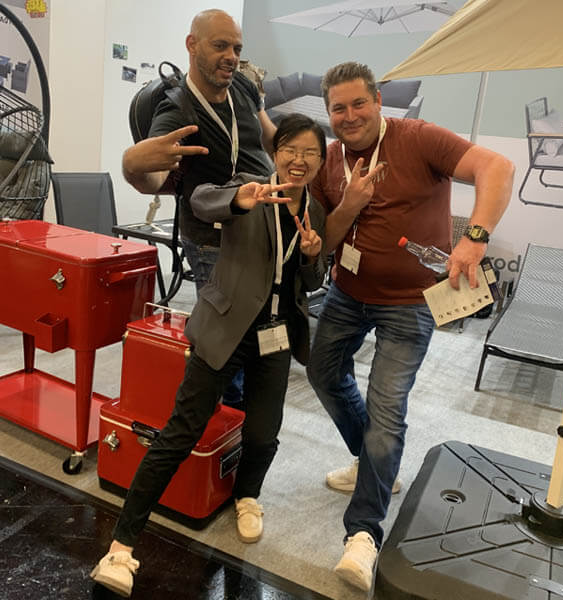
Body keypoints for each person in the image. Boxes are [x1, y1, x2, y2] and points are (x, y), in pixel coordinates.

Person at [91, 113, 328, 598]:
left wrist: (311, 256)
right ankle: (122, 544)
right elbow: (200, 200)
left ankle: (247, 495)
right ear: (276, 153)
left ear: (321, 162)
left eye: (310, 153)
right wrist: (239, 200)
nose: (299, 160)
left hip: (277, 336)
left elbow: (310, 282)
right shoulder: (248, 188)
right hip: (226, 329)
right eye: (291, 149)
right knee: (180, 433)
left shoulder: (315, 212)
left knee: (263, 433)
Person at [306, 62, 515, 592]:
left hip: (408, 305)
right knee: (323, 374)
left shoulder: (418, 139)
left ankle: (363, 533)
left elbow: (497, 167)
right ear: (328, 112)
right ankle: (372, 463)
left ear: (378, 101)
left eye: (359, 103)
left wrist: (475, 238)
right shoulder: (330, 159)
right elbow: (326, 240)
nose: (349, 116)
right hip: (346, 294)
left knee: (386, 412)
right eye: (338, 108)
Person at [121, 8, 277, 405]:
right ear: (192, 45)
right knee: (227, 345)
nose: (231, 57)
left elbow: (269, 139)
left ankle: (242, 421)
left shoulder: (243, 87)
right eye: (220, 45)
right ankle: (230, 424)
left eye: (237, 48)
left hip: (263, 229)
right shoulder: (176, 109)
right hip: (213, 241)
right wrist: (133, 166)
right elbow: (153, 179)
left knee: (257, 335)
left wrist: (304, 156)